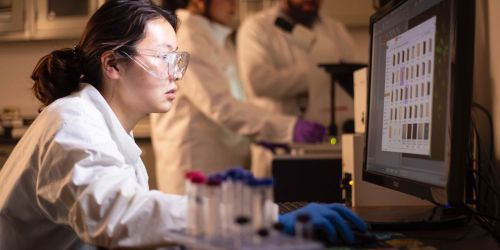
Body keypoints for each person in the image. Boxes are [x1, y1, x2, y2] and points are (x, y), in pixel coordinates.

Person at [0, 0, 366, 248]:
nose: (176, 74)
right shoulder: (72, 124)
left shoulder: (103, 124)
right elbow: (117, 215)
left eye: (178, 59)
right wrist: (260, 219)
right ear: (112, 65)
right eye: (162, 58)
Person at [151, 0, 326, 195]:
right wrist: (286, 128)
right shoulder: (187, 37)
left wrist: (260, 136)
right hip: (196, 166)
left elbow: (236, 99)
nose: (234, 2)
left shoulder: (213, 36)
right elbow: (220, 105)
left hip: (221, 168)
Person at [237, 0, 358, 134]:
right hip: (278, 139)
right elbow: (258, 82)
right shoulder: (256, 27)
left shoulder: (336, 30)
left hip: (330, 136)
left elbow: (355, 79)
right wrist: (316, 74)